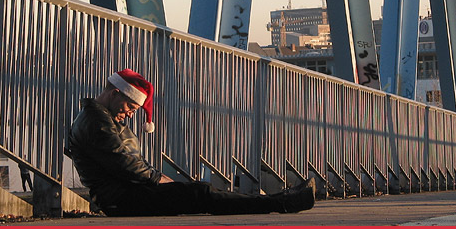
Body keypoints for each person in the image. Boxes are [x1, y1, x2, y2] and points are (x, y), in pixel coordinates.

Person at [69, 68, 316, 216]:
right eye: (131, 106)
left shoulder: (103, 117)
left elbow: (125, 164)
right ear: (115, 93)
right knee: (200, 192)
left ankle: (279, 199)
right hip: (121, 200)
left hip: (126, 194)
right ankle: (282, 202)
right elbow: (125, 164)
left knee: (200, 192)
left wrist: (157, 180)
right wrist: (158, 178)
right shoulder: (96, 123)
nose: (132, 113)